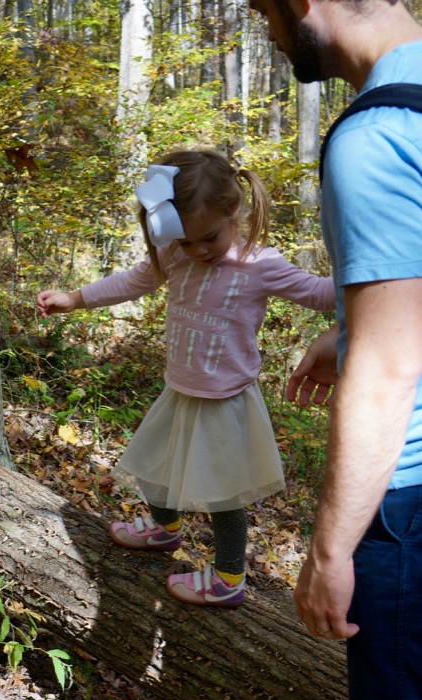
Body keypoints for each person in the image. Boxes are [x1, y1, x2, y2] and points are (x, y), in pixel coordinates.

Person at [37, 149, 335, 608]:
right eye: (187, 242)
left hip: (226, 399)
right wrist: (75, 298)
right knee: (155, 462)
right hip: (181, 387)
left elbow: (319, 294)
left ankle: (229, 576)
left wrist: (377, 278)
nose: (198, 251)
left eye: (208, 238)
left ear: (234, 209)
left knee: (222, 495)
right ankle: (165, 528)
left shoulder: (261, 264)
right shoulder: (174, 251)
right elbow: (136, 280)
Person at [250, 0, 422, 700]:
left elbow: (388, 373)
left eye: (263, 11)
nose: (266, 31)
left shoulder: (373, 138)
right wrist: (352, 325)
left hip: (409, 505)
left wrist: (329, 551)